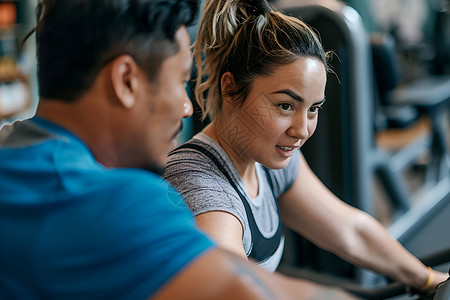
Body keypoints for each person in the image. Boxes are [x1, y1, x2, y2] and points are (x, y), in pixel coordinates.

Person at [0, 0, 361, 299]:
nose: (187, 107)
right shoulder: (113, 203)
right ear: (126, 81)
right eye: (178, 81)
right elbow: (243, 292)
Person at [163, 0, 449, 293]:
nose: (302, 131)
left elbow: (351, 231)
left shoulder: (265, 156)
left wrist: (428, 280)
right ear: (230, 88)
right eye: (285, 105)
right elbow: (233, 287)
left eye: (313, 109)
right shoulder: (202, 187)